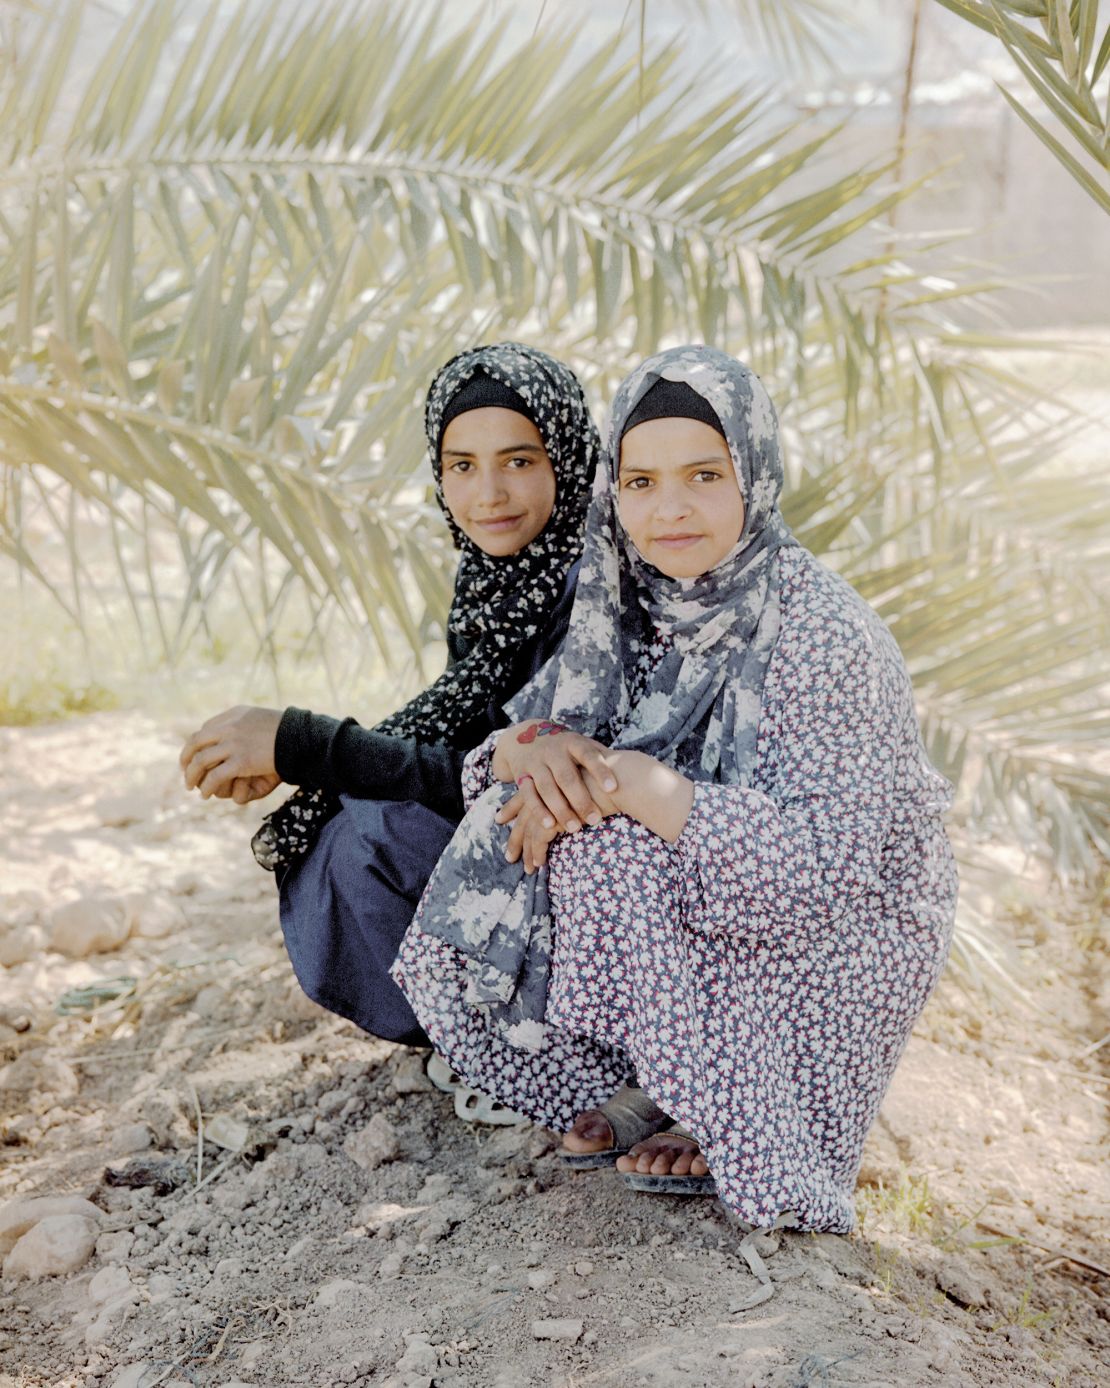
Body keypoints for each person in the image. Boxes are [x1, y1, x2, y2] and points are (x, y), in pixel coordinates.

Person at [389, 344, 958, 1233]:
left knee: (606, 825)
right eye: (641, 482)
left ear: (756, 476)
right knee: (547, 814)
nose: (670, 509)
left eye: (702, 474)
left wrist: (631, 782)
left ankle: (732, 1108)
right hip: (712, 877)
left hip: (848, 924)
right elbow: (508, 755)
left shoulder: (826, 631)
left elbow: (825, 867)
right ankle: (654, 1082)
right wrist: (527, 756)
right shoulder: (627, 596)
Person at [179, 342, 603, 1052]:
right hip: (539, 860)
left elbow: (519, 774)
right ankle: (480, 1041)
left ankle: (528, 1049)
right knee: (357, 816)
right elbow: (470, 746)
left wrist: (307, 744)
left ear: (567, 455)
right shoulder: (498, 582)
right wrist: (305, 759)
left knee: (374, 834)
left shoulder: (597, 589)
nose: (488, 494)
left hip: (594, 868)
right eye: (462, 466)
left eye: (520, 460)